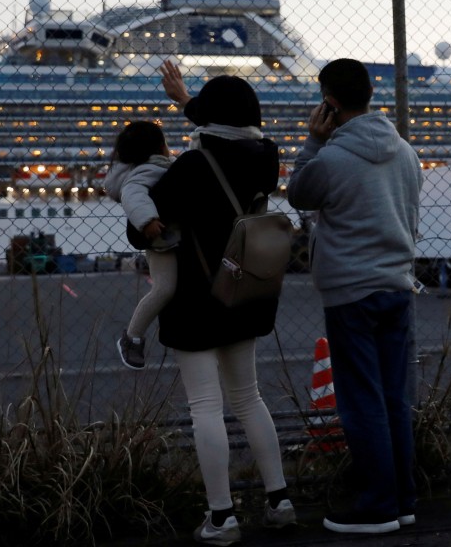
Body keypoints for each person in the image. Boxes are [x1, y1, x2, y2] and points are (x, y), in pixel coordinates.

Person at [148, 60, 296, 545]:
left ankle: (221, 517)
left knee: (206, 406)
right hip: (245, 292)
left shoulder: (190, 168)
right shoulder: (266, 158)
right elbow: (229, 135)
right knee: (248, 398)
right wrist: (189, 104)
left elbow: (142, 229)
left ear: (207, 122)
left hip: (196, 300)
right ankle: (279, 501)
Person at [286, 58, 423, 535]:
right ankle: (402, 500)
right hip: (397, 287)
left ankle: (377, 506)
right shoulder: (406, 152)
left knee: (361, 400)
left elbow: (298, 193)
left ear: (330, 100)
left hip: (351, 291)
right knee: (393, 399)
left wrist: (313, 139)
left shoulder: (331, 158)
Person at [103, 120, 178, 370]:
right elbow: (132, 194)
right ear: (158, 147)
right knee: (164, 288)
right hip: (160, 241)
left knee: (170, 288)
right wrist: (147, 221)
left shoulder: (149, 167)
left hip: (168, 240)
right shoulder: (148, 170)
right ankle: (132, 338)